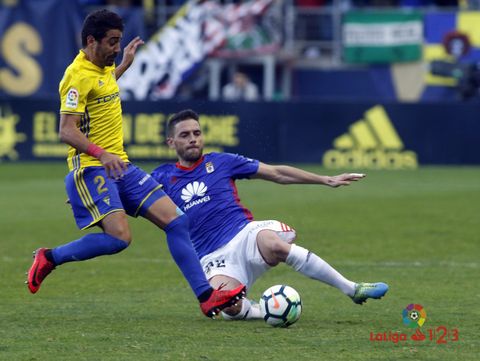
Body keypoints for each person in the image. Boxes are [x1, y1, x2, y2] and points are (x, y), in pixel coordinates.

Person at [25, 9, 245, 318]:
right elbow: (66, 130)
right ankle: (49, 257)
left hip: (121, 167)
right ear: (91, 41)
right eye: (112, 42)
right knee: (119, 239)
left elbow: (102, 89)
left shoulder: (104, 68)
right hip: (92, 167)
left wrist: (124, 65)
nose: (117, 48)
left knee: (177, 221)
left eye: (120, 42)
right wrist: (101, 153)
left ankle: (206, 297)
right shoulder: (75, 77)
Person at [150, 109, 389, 320]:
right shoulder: (161, 177)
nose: (193, 139)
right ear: (171, 142)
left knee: (274, 244)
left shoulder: (222, 162)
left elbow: (276, 173)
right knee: (229, 308)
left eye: (197, 133)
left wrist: (325, 180)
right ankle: (264, 311)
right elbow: (136, 200)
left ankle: (352, 288)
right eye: (185, 135)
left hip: (245, 235)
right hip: (212, 256)